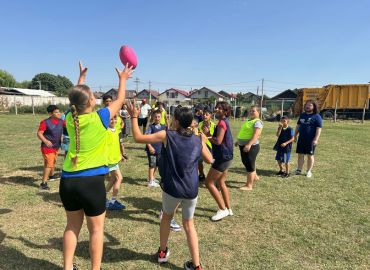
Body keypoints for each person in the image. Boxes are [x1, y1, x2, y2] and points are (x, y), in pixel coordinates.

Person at [59, 61, 132, 270]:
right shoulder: (100, 117)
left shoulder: (69, 117)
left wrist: (81, 79)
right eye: (93, 95)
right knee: (96, 231)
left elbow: (76, 98)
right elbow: (120, 99)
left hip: (68, 181)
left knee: (72, 227)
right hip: (91, 183)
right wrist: (123, 79)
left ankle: (67, 268)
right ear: (91, 101)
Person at [127, 103, 212, 270]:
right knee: (189, 225)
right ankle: (197, 266)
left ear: (176, 120)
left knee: (166, 217)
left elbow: (138, 138)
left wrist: (134, 116)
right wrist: (202, 139)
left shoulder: (167, 135)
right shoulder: (196, 139)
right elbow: (209, 160)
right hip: (191, 189)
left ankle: (162, 252)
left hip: (172, 188)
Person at [206, 101, 234, 221]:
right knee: (221, 183)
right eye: (216, 107)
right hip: (227, 157)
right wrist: (208, 134)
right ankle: (228, 208)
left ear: (225, 111)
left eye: (220, 108)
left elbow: (218, 141)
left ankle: (222, 210)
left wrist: (206, 137)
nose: (216, 109)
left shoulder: (222, 122)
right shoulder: (223, 121)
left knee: (209, 183)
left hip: (222, 158)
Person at [37, 104, 65, 190]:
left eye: (59, 112)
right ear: (50, 114)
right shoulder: (45, 122)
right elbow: (39, 133)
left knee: (52, 162)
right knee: (49, 164)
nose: (59, 113)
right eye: (56, 112)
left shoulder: (61, 122)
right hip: (47, 147)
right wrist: (45, 141)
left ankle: (51, 176)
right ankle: (43, 183)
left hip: (56, 146)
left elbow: (70, 127)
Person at [236, 106, 263, 191]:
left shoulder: (257, 122)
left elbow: (256, 134)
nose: (251, 112)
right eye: (250, 111)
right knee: (246, 162)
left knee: (249, 165)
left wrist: (249, 145)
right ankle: (254, 177)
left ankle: (249, 185)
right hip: (243, 145)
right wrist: (238, 141)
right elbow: (244, 132)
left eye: (253, 111)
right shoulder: (249, 121)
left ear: (258, 112)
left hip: (251, 146)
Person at [294, 100, 322, 178]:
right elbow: (298, 126)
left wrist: (316, 139)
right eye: (306, 105)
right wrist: (295, 135)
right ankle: (299, 169)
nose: (307, 106)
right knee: (300, 155)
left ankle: (309, 171)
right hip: (301, 139)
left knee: (310, 155)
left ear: (314, 107)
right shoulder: (302, 115)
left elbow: (319, 129)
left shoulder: (317, 116)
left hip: (311, 140)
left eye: (310, 105)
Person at [105, 115, 126, 210]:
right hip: (109, 160)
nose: (113, 121)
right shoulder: (106, 131)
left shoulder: (116, 131)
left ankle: (102, 198)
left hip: (115, 158)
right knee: (119, 178)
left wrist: (120, 155)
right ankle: (112, 202)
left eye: (115, 119)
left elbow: (116, 144)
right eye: (111, 119)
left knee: (113, 179)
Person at [145, 110, 165, 188]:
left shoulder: (164, 127)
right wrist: (150, 147)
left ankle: (152, 177)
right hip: (152, 150)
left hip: (159, 150)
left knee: (156, 164)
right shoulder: (151, 127)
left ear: (161, 117)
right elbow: (147, 138)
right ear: (153, 117)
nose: (157, 118)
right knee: (152, 165)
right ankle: (150, 182)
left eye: (159, 116)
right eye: (155, 117)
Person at [197, 108, 215, 182]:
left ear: (210, 115)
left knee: (212, 162)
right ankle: (201, 174)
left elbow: (215, 138)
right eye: (204, 114)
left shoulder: (214, 125)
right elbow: (197, 134)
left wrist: (207, 134)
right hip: (201, 145)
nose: (204, 116)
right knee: (199, 161)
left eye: (207, 114)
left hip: (211, 146)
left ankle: (213, 178)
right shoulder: (199, 124)